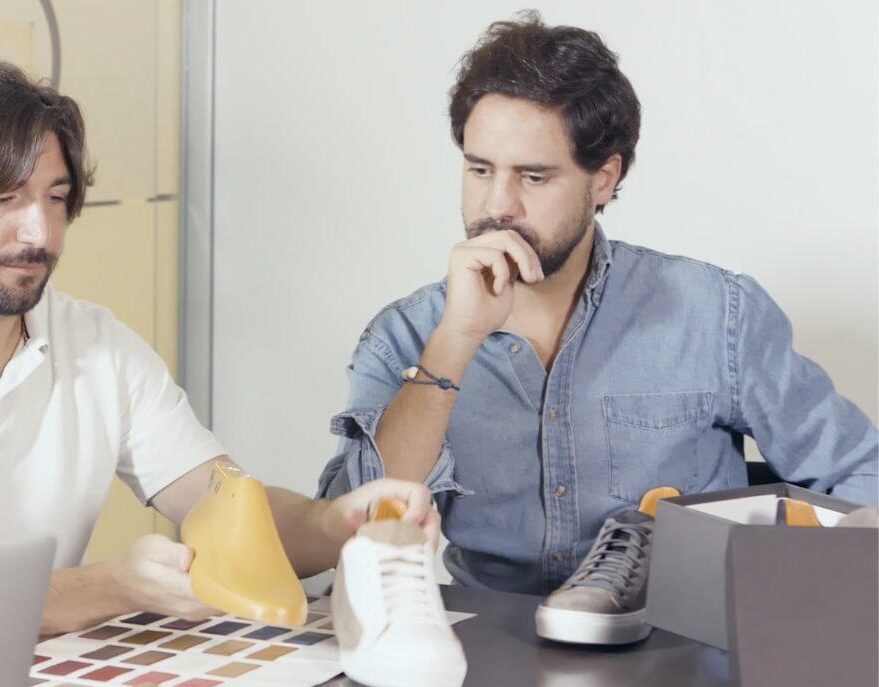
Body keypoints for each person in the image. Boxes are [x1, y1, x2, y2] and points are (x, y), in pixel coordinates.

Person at [0, 61, 437, 635]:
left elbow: (224, 506)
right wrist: (119, 586)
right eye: (3, 199)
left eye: (55, 198)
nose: (40, 232)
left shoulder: (95, 344)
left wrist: (337, 520)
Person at [317, 13, 878, 596]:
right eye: (480, 170)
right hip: (485, 655)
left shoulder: (715, 314)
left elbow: (860, 472)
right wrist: (454, 341)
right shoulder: (406, 337)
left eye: (533, 178)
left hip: (679, 650)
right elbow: (348, 530)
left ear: (604, 178)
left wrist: (793, 606)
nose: (498, 205)